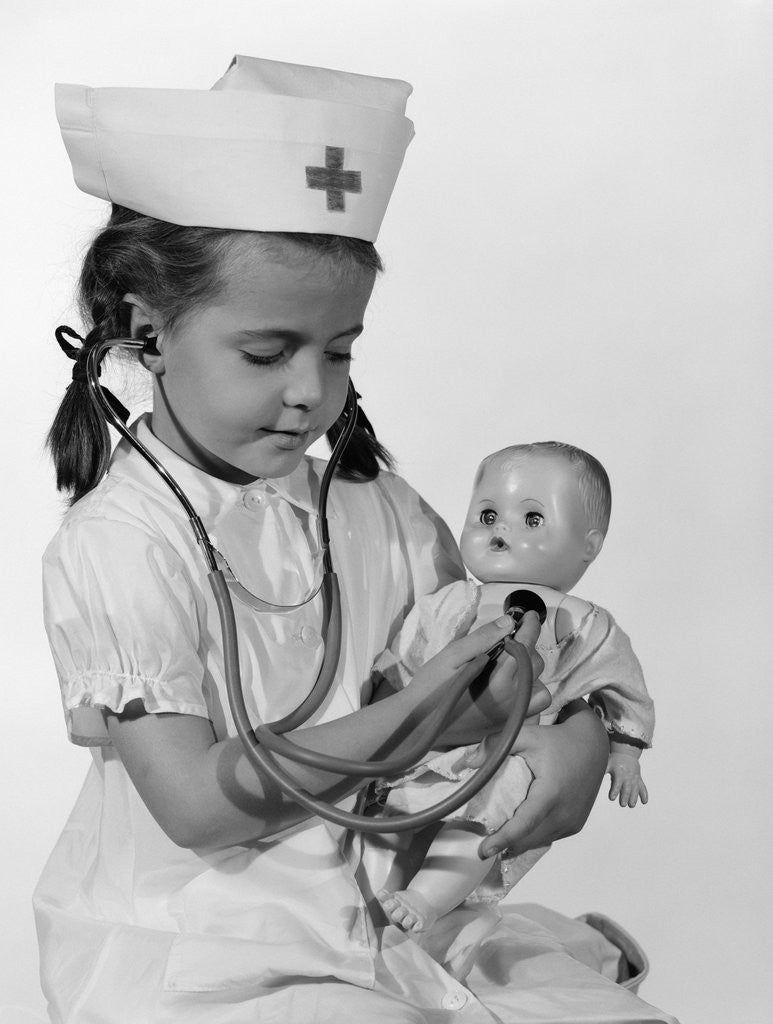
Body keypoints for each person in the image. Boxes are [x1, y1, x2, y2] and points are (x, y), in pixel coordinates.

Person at [35, 55, 678, 1023]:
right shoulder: (121, 545)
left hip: (390, 907)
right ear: (146, 330)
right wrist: (422, 717)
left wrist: (584, 739)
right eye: (267, 351)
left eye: (338, 350)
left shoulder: (375, 508)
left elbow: (511, 644)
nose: (309, 389)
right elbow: (199, 806)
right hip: (209, 941)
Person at [373, 442, 655, 935]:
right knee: (394, 809)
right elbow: (402, 661)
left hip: (508, 755)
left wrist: (625, 755)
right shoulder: (447, 602)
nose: (500, 527)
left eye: (532, 519)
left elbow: (622, 687)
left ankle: (427, 899)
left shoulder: (586, 624)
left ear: (589, 546)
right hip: (427, 749)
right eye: (487, 514)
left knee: (489, 817)